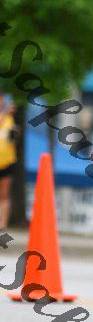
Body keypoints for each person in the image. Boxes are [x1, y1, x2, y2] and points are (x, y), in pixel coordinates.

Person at [0, 95, 18, 230]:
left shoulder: (10, 119)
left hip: (6, 161)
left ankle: (3, 223)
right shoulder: (5, 116)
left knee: (5, 193)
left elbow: (13, 140)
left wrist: (16, 133)